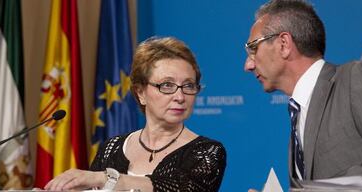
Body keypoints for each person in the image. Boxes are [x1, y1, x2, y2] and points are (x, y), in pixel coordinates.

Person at [44, 37, 227, 191]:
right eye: (167, 85)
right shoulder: (112, 148)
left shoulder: (207, 152)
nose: (179, 96)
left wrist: (108, 179)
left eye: (188, 85)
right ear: (140, 93)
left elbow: (179, 187)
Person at [244, 0, 362, 189]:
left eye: (253, 48)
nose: (248, 65)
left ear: (284, 44)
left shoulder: (355, 79)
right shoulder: (299, 113)